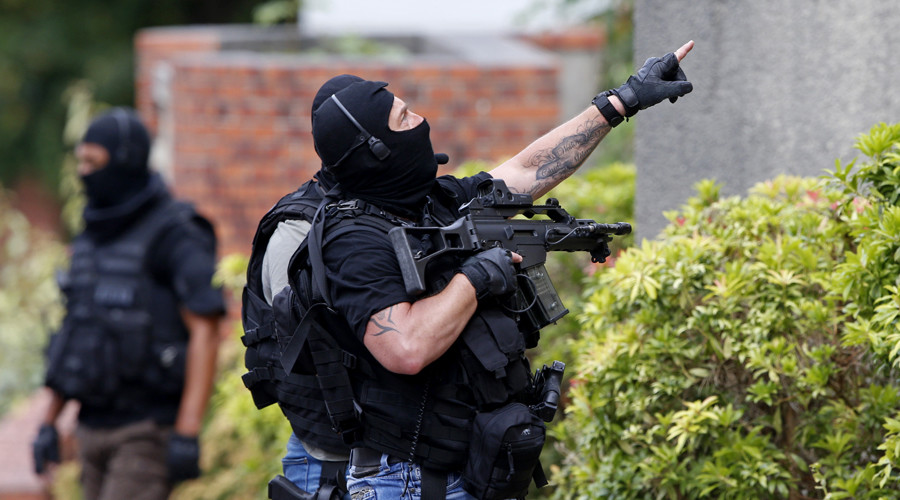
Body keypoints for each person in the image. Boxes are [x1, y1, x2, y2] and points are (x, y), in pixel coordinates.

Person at [287, 41, 695, 499]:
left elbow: (527, 170)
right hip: (405, 479)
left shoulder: (431, 200)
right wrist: (476, 280)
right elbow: (403, 347)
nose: (419, 121)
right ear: (377, 151)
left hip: (472, 462)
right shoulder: (352, 238)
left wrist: (623, 101)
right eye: (404, 118)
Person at [31, 107, 226, 500]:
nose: (83, 171)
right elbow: (76, 330)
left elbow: (205, 331)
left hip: (145, 429)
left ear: (126, 161)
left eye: (93, 161)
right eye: (80, 161)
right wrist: (48, 422)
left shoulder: (175, 233)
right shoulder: (92, 236)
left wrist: (187, 431)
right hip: (90, 427)